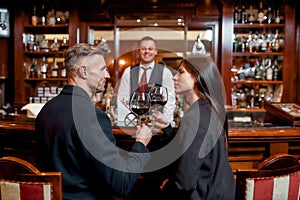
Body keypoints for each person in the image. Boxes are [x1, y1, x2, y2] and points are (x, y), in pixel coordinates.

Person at [35, 43, 153, 200]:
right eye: (102, 69)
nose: (107, 75)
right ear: (83, 71)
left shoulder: (47, 109)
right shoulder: (93, 116)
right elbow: (121, 183)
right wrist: (141, 144)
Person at [151, 56, 235, 200]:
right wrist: (167, 127)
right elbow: (191, 151)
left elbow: (185, 182)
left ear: (195, 77)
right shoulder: (210, 108)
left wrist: (167, 186)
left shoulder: (195, 116)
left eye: (181, 72)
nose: (174, 77)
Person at [117, 36, 176, 126]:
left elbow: (169, 101)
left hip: (156, 124)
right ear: (139, 51)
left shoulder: (165, 72)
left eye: (150, 49)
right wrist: (129, 122)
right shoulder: (128, 71)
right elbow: (122, 98)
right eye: (143, 48)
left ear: (155, 51)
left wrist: (165, 123)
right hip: (133, 123)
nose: (146, 51)